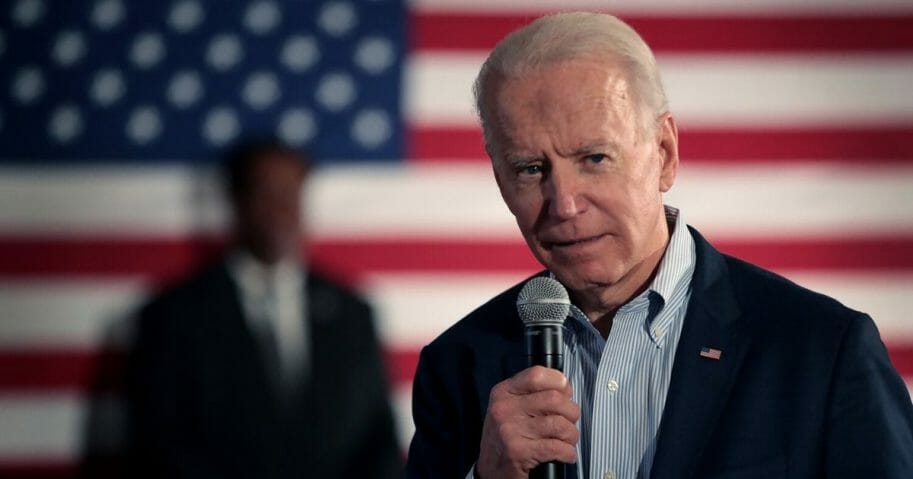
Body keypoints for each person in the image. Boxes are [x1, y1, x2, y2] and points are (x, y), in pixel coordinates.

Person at [406, 12, 913, 479]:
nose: (563, 204)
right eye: (530, 169)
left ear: (664, 154)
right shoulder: (459, 364)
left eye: (594, 158)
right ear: (500, 181)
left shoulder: (821, 350)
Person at [127, 139, 402, 478]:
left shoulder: (352, 314)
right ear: (236, 200)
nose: (280, 208)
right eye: (266, 193)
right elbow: (159, 448)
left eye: (291, 193)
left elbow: (378, 441)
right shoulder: (173, 317)